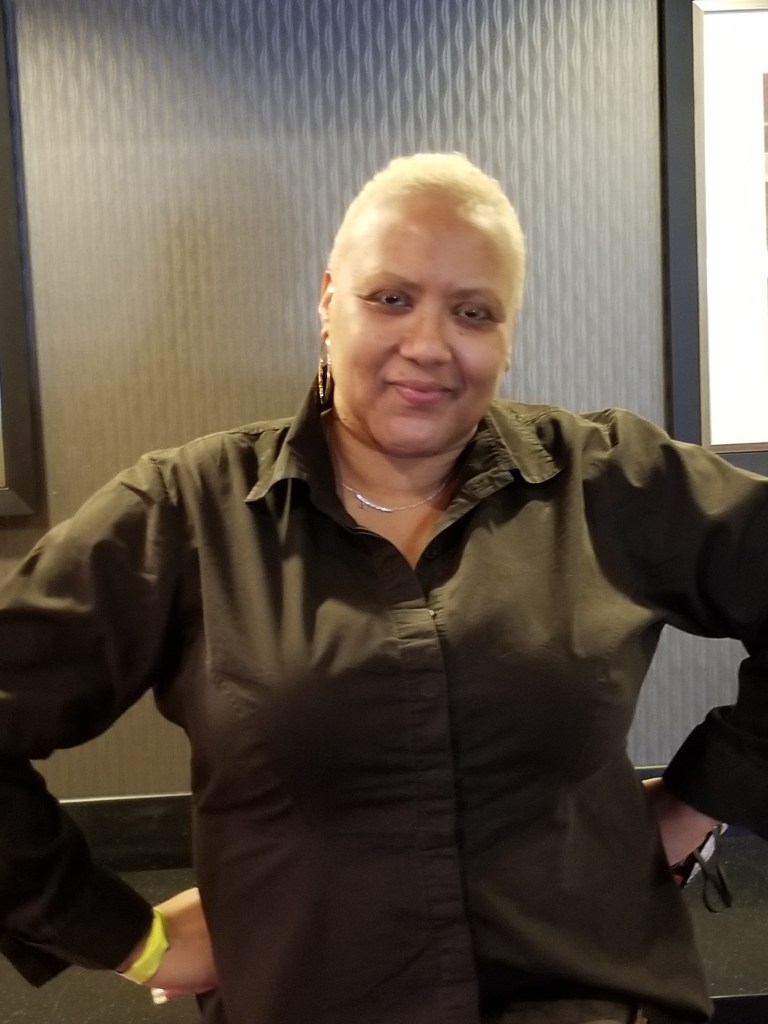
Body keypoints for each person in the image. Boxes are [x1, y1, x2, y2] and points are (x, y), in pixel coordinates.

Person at [1, 152, 767, 1024]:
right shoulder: (183, 511)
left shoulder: (603, 481)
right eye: (391, 298)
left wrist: (704, 798)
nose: (429, 345)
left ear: (508, 336)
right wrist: (125, 936)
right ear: (328, 302)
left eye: (473, 312)